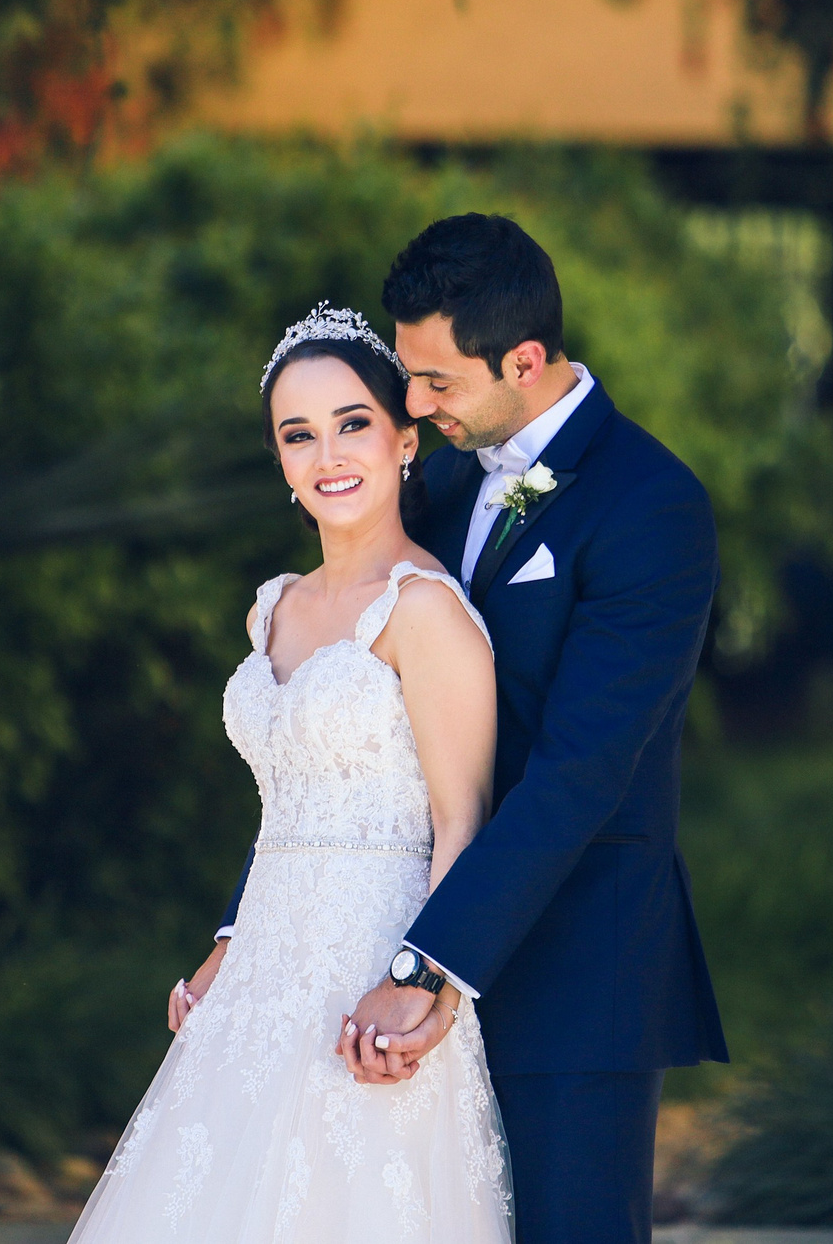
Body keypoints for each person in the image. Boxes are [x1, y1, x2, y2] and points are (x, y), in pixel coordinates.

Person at [268, 214, 729, 1244]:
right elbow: (339, 722)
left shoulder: (650, 507)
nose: (413, 407)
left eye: (435, 383)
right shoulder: (426, 484)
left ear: (524, 359)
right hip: (387, 946)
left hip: (572, 973)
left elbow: (581, 771)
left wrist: (427, 963)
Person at [68, 302, 513, 1242]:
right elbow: (286, 812)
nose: (329, 454)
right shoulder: (273, 608)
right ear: (279, 461)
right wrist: (229, 946)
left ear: (403, 440)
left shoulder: (426, 611)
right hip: (261, 981)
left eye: (353, 422)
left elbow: (464, 827)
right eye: (298, 434)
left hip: (371, 977)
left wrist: (420, 984)